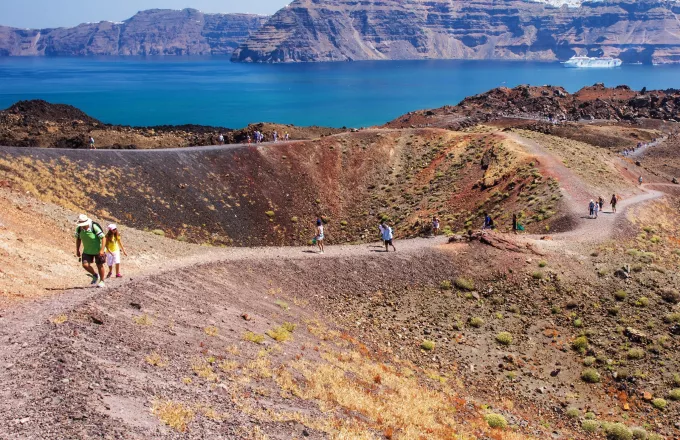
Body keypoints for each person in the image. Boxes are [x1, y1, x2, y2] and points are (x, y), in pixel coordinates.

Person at [75, 214, 107, 288]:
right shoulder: (79, 229)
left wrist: (102, 250)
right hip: (87, 250)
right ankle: (95, 275)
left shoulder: (94, 227)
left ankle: (102, 281)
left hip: (98, 250)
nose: (82, 226)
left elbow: (103, 238)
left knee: (99, 265)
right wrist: (77, 250)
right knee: (85, 265)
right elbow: (78, 239)